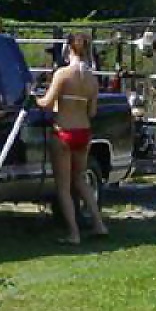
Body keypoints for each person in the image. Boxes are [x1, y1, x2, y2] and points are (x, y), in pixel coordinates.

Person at [36, 33, 109, 245]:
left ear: (68, 49)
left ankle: (73, 233)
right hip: (83, 133)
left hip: (63, 132)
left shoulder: (63, 74)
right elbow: (92, 112)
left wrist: (33, 97)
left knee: (63, 187)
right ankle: (99, 224)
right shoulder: (92, 80)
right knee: (81, 180)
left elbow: (47, 103)